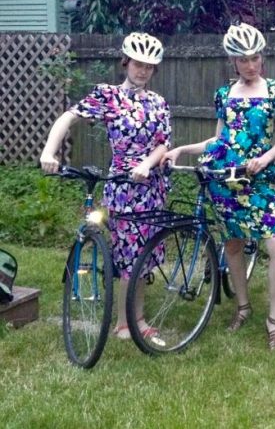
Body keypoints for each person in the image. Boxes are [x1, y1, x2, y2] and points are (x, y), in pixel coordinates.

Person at [162, 23, 275, 350]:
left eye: (256, 58)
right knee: (232, 244)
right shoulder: (224, 94)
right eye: (243, 59)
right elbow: (218, 139)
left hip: (258, 179)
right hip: (225, 180)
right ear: (233, 60)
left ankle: (274, 320)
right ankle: (243, 307)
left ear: (263, 57)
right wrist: (183, 149)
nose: (251, 65)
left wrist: (265, 158)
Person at [40, 32, 171, 339]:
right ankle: (126, 323)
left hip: (151, 186)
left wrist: (147, 164)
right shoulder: (108, 96)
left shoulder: (158, 103)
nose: (142, 71)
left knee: (145, 255)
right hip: (122, 187)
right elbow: (67, 118)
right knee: (130, 255)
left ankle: (135, 318)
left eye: (149, 67)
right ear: (126, 62)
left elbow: (163, 145)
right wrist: (49, 151)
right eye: (138, 64)